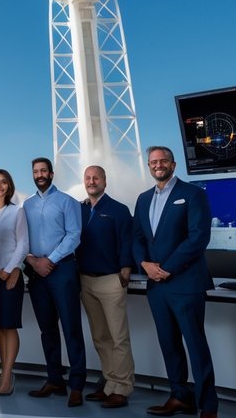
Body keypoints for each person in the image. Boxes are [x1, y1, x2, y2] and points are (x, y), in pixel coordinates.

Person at [133, 146, 217, 418]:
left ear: (173, 164)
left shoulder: (193, 194)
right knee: (169, 345)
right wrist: (144, 264)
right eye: (153, 162)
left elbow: (198, 237)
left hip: (185, 284)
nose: (158, 165)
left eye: (163, 161)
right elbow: (138, 238)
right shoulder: (143, 199)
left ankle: (208, 406)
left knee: (196, 346)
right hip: (157, 287)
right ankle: (180, 397)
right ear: (149, 166)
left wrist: (167, 268)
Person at [24, 156, 86, 407]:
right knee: (47, 329)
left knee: (71, 328)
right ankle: (54, 379)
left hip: (62, 270)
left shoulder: (67, 202)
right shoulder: (26, 205)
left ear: (51, 174)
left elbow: (74, 235)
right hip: (37, 273)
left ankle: (77, 385)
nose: (39, 175)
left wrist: (50, 259)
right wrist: (33, 261)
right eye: (35, 171)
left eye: (43, 171)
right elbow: (22, 238)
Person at [78, 165, 136, 409]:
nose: (91, 181)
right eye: (88, 178)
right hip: (86, 280)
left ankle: (122, 387)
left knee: (118, 337)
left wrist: (126, 267)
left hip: (111, 279)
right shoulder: (79, 209)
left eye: (96, 178)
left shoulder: (118, 210)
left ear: (104, 181)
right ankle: (110, 382)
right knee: (100, 337)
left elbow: (127, 240)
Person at [0, 168, 27, 397]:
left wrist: (10, 270)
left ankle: (7, 374)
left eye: (3, 182)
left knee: (9, 325)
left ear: (9, 186)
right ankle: (5, 370)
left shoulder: (16, 211)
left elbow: (23, 244)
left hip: (10, 276)